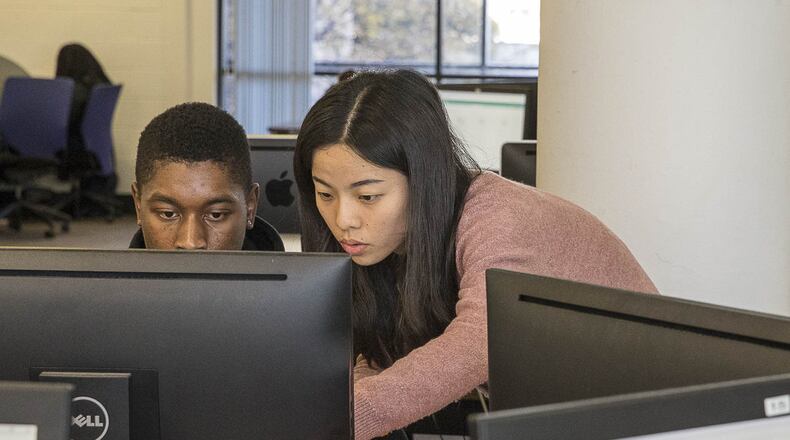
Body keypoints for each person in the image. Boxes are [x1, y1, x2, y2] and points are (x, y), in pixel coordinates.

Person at [292, 69, 658, 439]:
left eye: (368, 196)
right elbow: (379, 357)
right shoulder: (396, 240)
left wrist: (333, 419)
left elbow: (475, 345)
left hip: (649, 423)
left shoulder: (498, 219)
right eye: (325, 194)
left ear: (423, 179)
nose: (344, 219)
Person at [130, 102, 283, 251]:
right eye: (168, 214)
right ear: (138, 205)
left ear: (250, 207)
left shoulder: (303, 277)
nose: (190, 242)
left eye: (216, 215)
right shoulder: (109, 278)